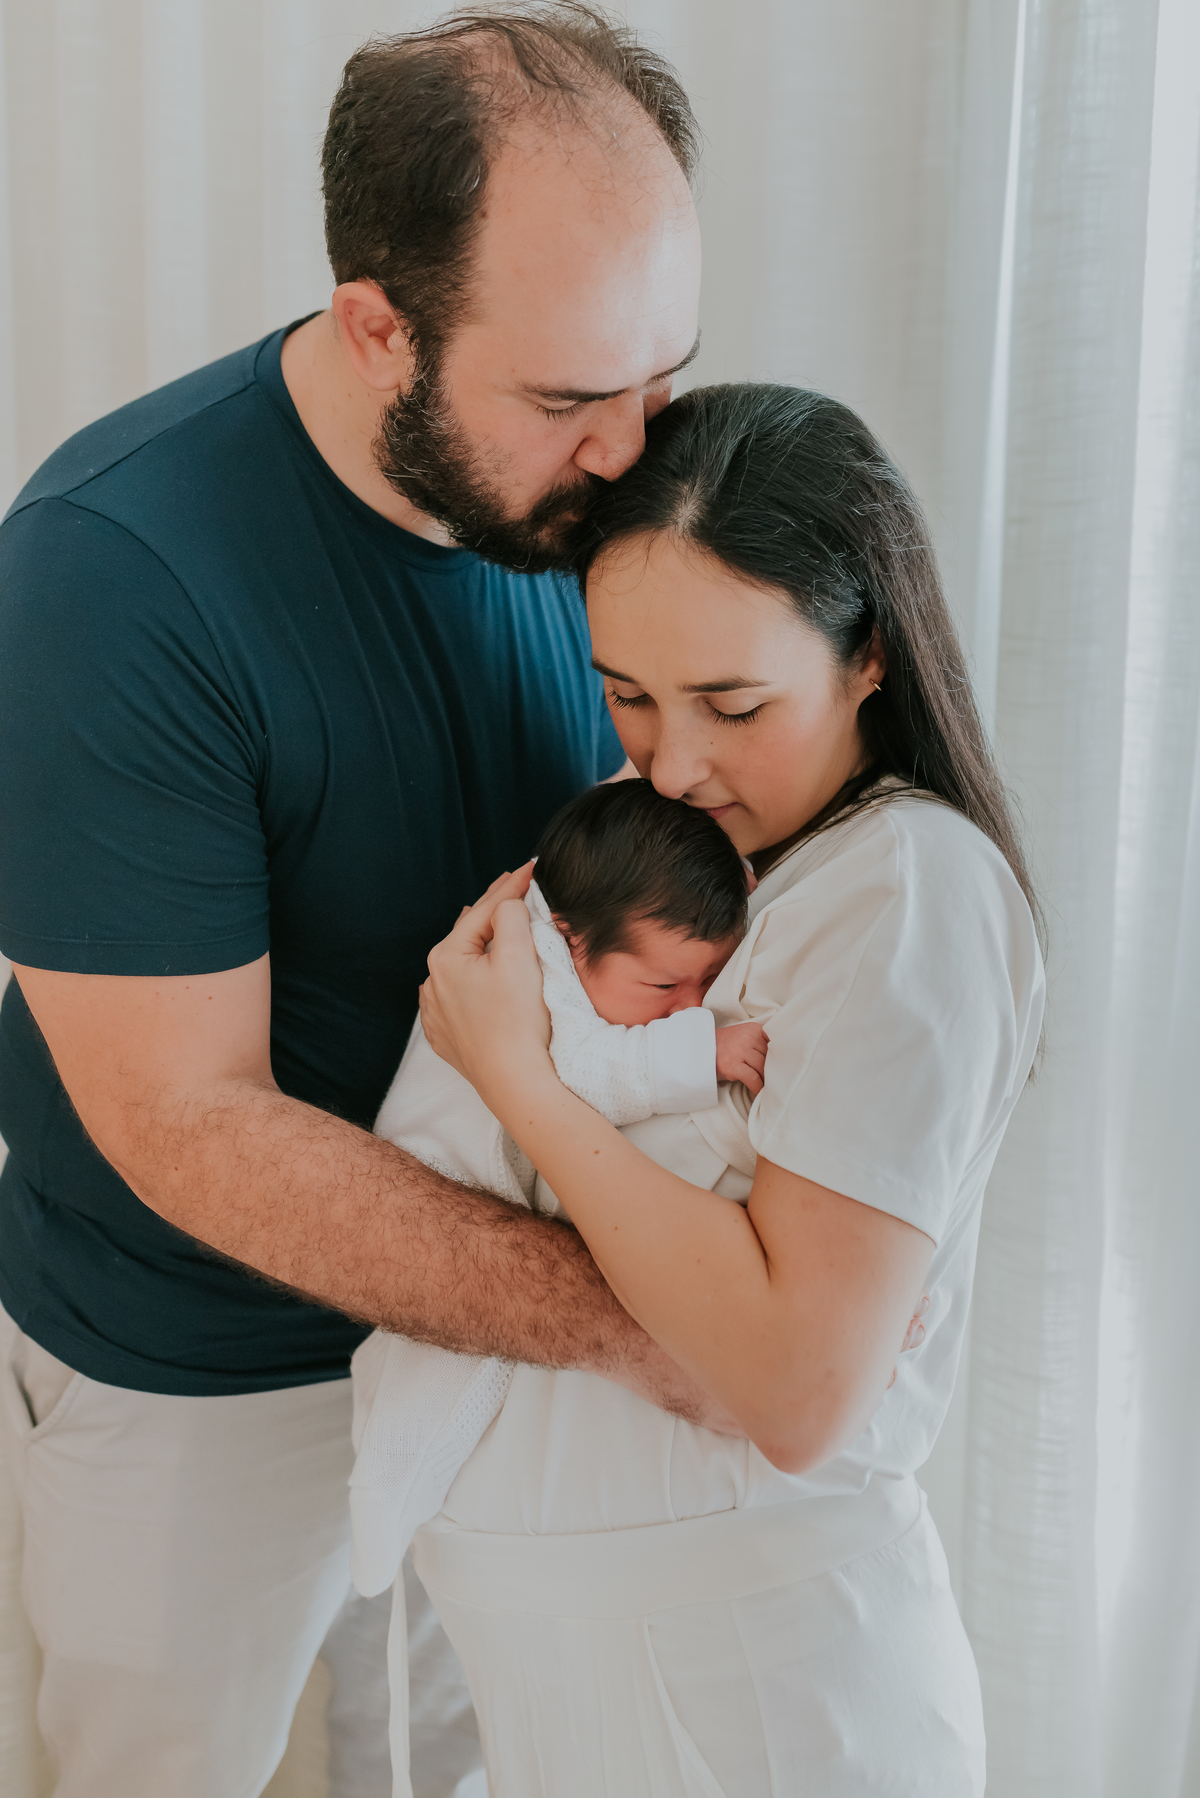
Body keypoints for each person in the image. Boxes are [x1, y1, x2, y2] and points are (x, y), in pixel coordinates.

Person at [0, 9, 718, 1795]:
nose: (639, 454)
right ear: (374, 321)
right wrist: (647, 1315)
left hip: (513, 1347)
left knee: (464, 1764)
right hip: (201, 1374)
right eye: (568, 398)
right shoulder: (111, 574)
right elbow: (184, 1117)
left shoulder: (609, 496)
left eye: (662, 375)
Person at [415, 382, 1047, 1796]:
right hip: (614, 1687)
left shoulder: (904, 889)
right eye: (626, 694)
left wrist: (525, 1078)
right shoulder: (725, 879)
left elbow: (794, 1379)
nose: (673, 762)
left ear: (868, 653)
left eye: (733, 701)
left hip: (755, 1700)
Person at [349, 782, 763, 1614]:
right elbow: (561, 1075)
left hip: (491, 1197)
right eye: (663, 990)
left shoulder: (604, 920)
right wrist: (700, 1054)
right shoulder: (528, 961)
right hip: (438, 1202)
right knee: (426, 1390)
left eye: (708, 984)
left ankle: (392, 1530)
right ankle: (381, 1525)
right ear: (571, 943)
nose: (690, 1006)